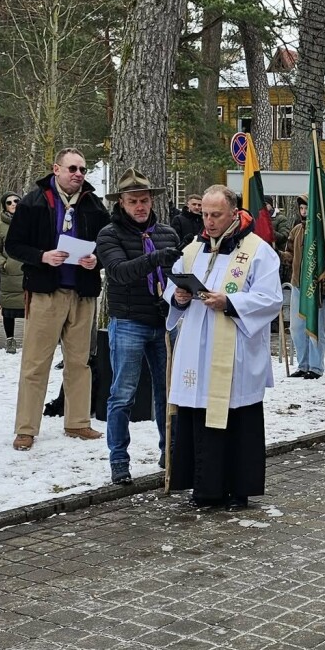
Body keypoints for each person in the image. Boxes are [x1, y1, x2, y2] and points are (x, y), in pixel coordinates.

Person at [164, 185, 282, 510]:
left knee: (236, 420)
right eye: (205, 214)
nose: (210, 221)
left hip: (235, 354)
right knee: (198, 418)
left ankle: (237, 490)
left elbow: (271, 299)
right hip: (196, 355)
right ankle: (204, 488)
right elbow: (174, 288)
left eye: (216, 215)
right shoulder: (193, 249)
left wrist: (229, 301)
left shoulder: (257, 250)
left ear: (233, 212)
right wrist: (179, 297)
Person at [6, 147, 109, 451]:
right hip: (45, 291)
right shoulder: (33, 202)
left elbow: (106, 244)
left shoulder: (94, 205)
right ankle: (26, 427)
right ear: (56, 169)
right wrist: (42, 256)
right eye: (73, 169)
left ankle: (77, 421)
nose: (78, 174)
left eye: (82, 169)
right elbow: (14, 245)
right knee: (36, 362)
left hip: (83, 291)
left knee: (80, 361)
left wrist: (97, 260)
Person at [94, 169, 183, 486]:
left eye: (144, 200)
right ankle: (118, 460)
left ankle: (169, 452)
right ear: (121, 203)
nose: (140, 206)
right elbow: (118, 272)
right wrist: (157, 258)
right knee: (122, 395)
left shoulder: (168, 234)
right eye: (133, 201)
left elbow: (178, 275)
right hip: (128, 322)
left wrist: (181, 292)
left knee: (167, 392)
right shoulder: (109, 235)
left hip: (163, 323)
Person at [287, 196, 325, 380]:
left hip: (317, 286)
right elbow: (289, 252)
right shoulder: (296, 230)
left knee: (316, 327)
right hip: (298, 284)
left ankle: (316, 366)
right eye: (301, 208)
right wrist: (276, 252)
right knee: (297, 327)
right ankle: (302, 364)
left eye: (307, 208)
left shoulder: (323, 231)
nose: (304, 212)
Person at [0, 191, 25, 354]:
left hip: (28, 273)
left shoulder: (30, 222)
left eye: (16, 201)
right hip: (9, 275)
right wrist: (3, 264)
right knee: (9, 310)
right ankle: (10, 340)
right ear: (4, 206)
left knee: (33, 308)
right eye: (9, 202)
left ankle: (32, 340)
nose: (13, 205)